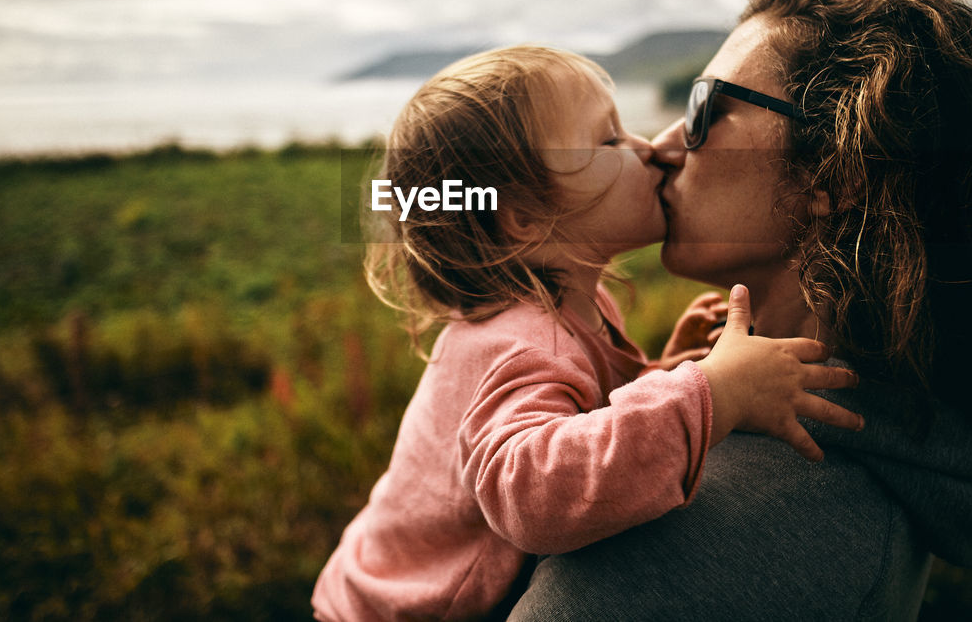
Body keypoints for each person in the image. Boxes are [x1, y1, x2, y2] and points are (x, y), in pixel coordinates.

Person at [509, 0, 972, 620]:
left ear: (835, 173)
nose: (659, 145)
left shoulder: (707, 542)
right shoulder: (856, 446)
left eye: (703, 108)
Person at [311, 45, 863, 621]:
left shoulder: (569, 307)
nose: (649, 148)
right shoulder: (523, 343)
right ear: (522, 217)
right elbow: (532, 495)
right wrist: (710, 394)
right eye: (609, 141)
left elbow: (574, 415)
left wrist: (660, 374)